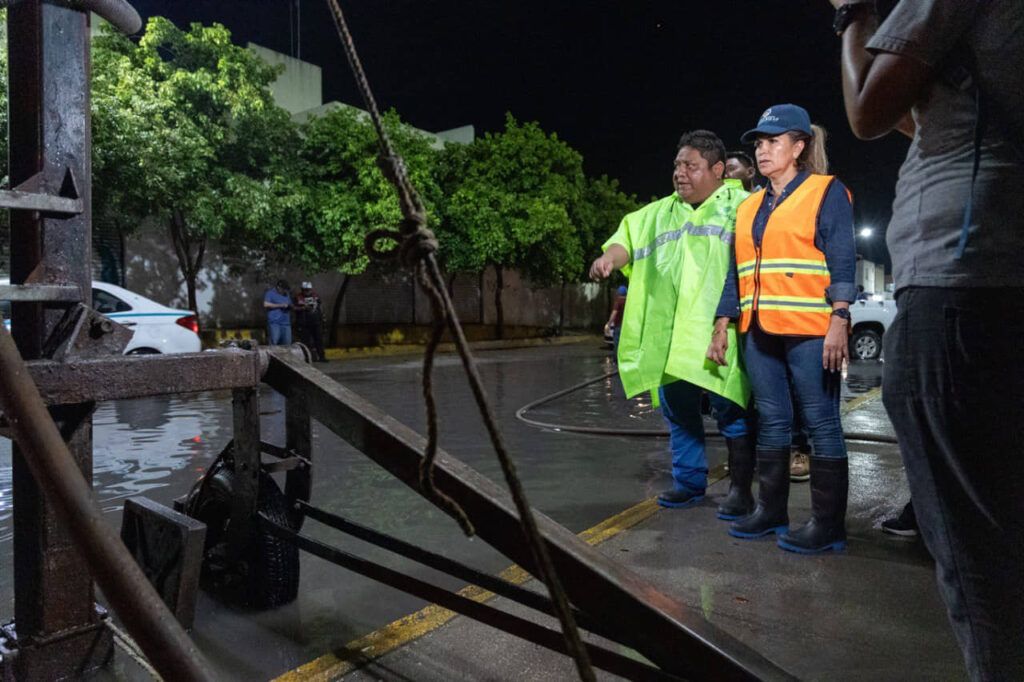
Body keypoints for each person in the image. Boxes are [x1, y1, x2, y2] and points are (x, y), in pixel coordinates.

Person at [826, 0, 1024, 677]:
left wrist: (852, 13)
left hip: (962, 277)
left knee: (980, 565)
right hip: (994, 272)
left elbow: (867, 111)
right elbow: (925, 117)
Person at [708, 104, 856, 554]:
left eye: (773, 141)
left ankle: (828, 525)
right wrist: (722, 321)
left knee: (820, 422)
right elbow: (736, 270)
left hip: (811, 328)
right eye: (759, 142)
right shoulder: (749, 203)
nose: (763, 149)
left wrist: (840, 317)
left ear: (799, 146)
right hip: (758, 329)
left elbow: (843, 256)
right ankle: (771, 511)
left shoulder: (826, 191)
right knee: (771, 420)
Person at [590, 130, 752, 512]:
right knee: (680, 416)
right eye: (677, 165)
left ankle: (741, 492)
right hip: (672, 339)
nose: (680, 173)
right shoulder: (658, 213)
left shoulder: (744, 207)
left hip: (720, 333)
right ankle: (689, 484)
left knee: (733, 412)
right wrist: (610, 259)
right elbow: (625, 239)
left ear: (716, 170)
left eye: (690, 166)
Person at [295, 281, 327, 362]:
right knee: (306, 342)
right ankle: (307, 358)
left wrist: (323, 318)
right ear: (302, 289)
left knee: (319, 340)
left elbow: (320, 307)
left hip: (316, 322)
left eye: (308, 290)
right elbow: (294, 308)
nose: (307, 291)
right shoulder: (298, 297)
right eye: (305, 290)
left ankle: (322, 357)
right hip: (304, 323)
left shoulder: (315, 296)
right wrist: (303, 308)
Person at [264, 279, 293, 345]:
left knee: (287, 344)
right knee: (274, 342)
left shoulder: (286, 294)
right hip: (275, 323)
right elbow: (266, 304)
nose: (285, 291)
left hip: (286, 323)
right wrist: (281, 305)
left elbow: (290, 303)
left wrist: (289, 306)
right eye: (284, 289)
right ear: (278, 287)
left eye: (286, 289)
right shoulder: (270, 293)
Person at [603, 285, 627, 357]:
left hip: (618, 326)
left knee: (617, 343)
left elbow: (614, 313)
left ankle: (616, 360)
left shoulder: (618, 301)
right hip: (626, 326)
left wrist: (609, 324)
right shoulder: (629, 301)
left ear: (618, 293)